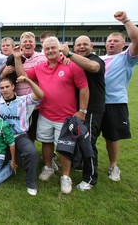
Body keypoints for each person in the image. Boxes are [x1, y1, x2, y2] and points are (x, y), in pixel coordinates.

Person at [14, 36, 89, 194]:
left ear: (59, 48)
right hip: (46, 114)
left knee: (64, 148)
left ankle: (65, 176)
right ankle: (48, 167)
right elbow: (24, 77)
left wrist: (82, 111)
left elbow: (84, 88)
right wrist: (16, 58)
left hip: (66, 116)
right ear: (43, 50)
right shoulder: (41, 67)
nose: (50, 51)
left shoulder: (72, 65)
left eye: (53, 48)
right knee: (46, 142)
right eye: (47, 48)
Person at [59, 35, 105, 191]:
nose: (82, 47)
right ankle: (78, 165)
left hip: (92, 109)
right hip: (77, 109)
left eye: (85, 44)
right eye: (78, 45)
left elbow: (92, 67)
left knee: (88, 142)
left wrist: (70, 55)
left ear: (92, 46)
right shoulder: (73, 60)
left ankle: (90, 178)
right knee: (77, 139)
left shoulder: (96, 59)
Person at [100, 11, 138, 182]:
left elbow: (136, 38)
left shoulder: (126, 58)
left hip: (115, 103)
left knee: (112, 137)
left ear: (124, 44)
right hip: (96, 103)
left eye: (116, 41)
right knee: (88, 136)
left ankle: (113, 166)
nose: (111, 43)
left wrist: (126, 21)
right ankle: (85, 162)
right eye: (109, 41)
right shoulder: (99, 59)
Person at [0, 76, 43, 196]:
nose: (5, 90)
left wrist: (28, 81)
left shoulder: (23, 100)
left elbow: (40, 95)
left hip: (20, 136)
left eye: (7, 87)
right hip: (3, 138)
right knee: (1, 160)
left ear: (13, 87)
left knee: (31, 153)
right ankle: (12, 162)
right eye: (2, 88)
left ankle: (30, 182)